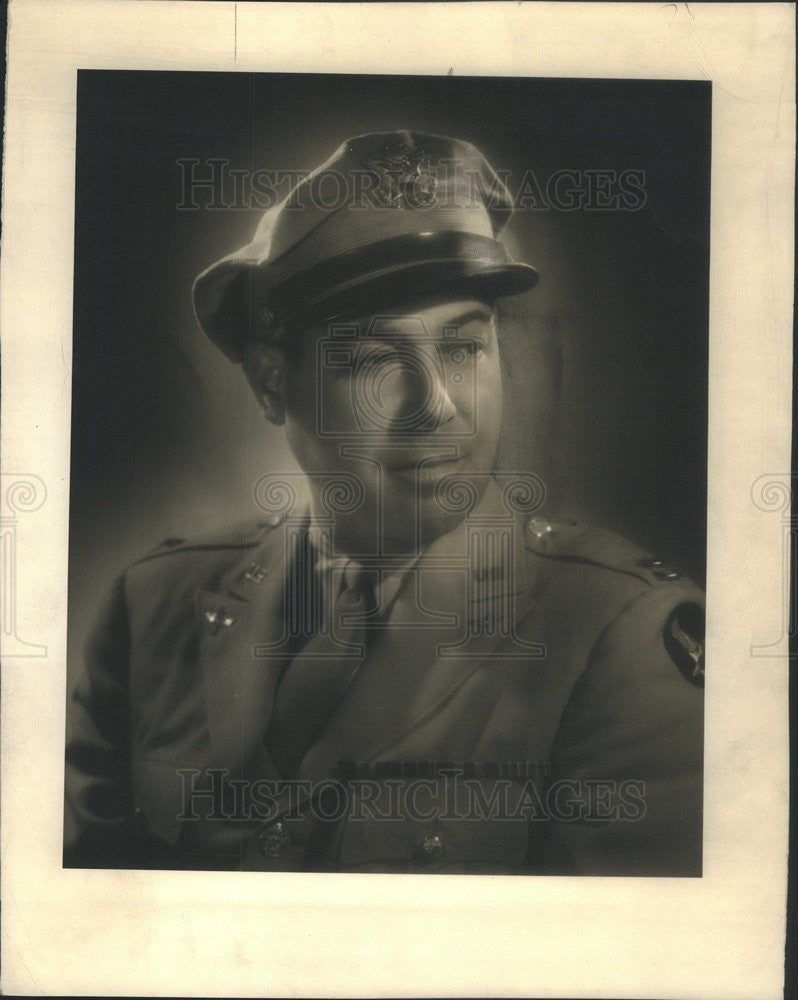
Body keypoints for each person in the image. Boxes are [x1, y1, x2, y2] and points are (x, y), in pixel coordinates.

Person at [64, 130, 704, 875]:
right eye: (372, 361)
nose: (435, 406)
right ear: (274, 384)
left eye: (464, 349)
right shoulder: (151, 610)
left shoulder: (618, 634)